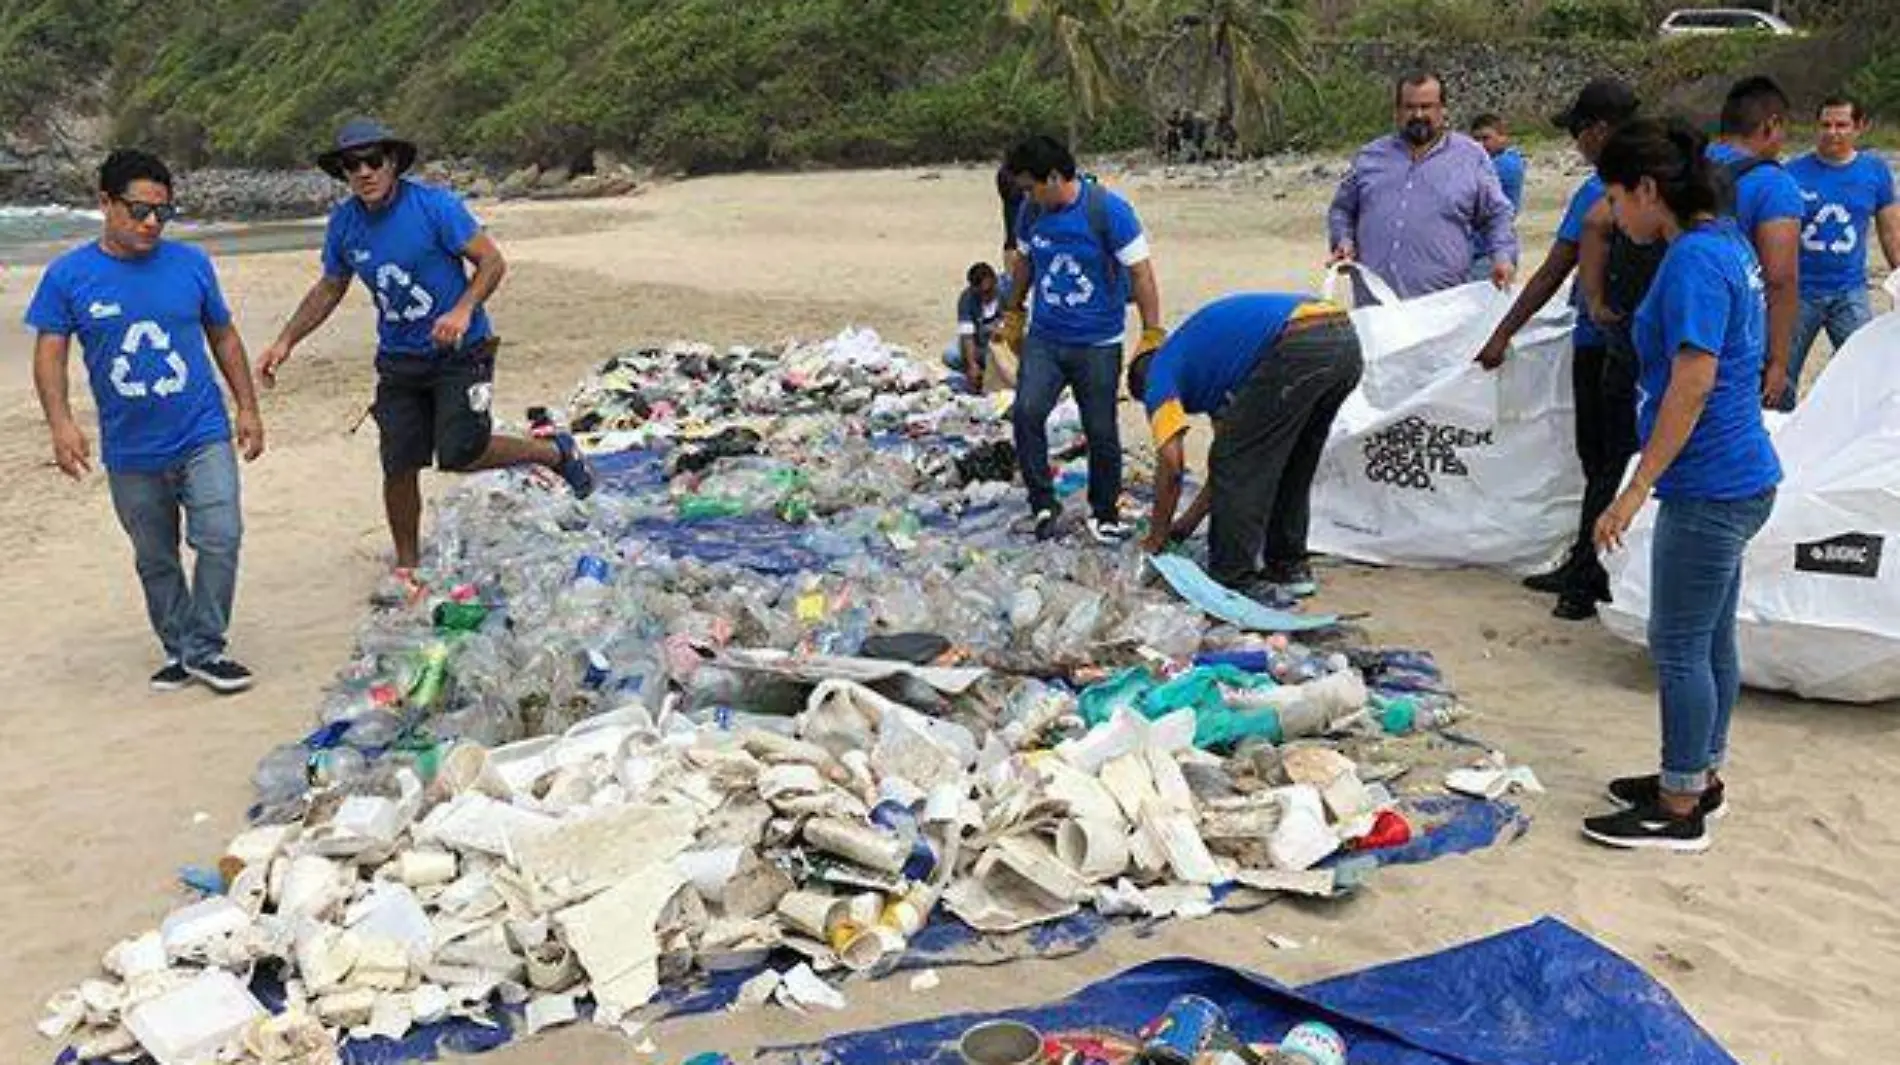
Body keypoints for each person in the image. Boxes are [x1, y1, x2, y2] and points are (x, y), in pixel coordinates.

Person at [256, 118, 594, 574]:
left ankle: (554, 452)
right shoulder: (344, 225)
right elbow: (331, 287)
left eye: (373, 161)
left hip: (462, 353)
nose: (364, 172)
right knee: (398, 462)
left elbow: (491, 262)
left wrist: (461, 309)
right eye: (351, 165)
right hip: (399, 361)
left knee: (461, 452)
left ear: (392, 162)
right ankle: (408, 565)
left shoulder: (435, 207)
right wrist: (285, 341)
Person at [1583, 118, 1781, 853]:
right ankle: (1698, 773)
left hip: (1712, 480)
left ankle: (1677, 805)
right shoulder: (1723, 241)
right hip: (1740, 474)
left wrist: (1636, 489)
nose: (1610, 215)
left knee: (1677, 643)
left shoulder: (1698, 258)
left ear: (1647, 190)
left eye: (1615, 197)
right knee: (1709, 637)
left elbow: (1693, 380)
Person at [27, 149, 265, 693]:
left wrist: (247, 407)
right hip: (130, 449)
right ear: (105, 203)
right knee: (155, 558)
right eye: (138, 210)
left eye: (163, 212)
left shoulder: (191, 264)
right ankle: (180, 649)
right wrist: (61, 424)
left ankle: (206, 647)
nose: (152, 223)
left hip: (202, 430)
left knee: (221, 535)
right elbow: (50, 355)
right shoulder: (69, 276)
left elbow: (222, 335)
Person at [1475, 78, 1641, 622]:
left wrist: (1503, 333)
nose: (1577, 146)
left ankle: (1589, 577)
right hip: (1616, 340)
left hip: (1610, 343)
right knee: (1602, 459)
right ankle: (1584, 563)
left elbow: (1554, 269)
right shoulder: (1651, 179)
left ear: (1597, 130)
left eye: (1577, 133)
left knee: (1607, 460)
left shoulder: (1609, 190)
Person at [1131, 294, 1361, 599]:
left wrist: (1157, 536)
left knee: (1239, 461)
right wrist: (1186, 524)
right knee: (1292, 461)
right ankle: (1289, 567)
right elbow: (1225, 470)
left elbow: (1174, 464)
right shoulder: (1212, 369)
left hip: (1298, 343)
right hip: (1343, 340)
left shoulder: (1159, 375)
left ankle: (1233, 578)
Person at [997, 135, 1165, 543]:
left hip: (1098, 344)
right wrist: (1014, 311)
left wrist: (1152, 332)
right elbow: (1024, 263)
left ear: (1054, 178)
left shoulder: (1108, 211)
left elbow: (1141, 273)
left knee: (1101, 430)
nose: (1027, 195)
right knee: (1026, 413)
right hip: (1045, 339)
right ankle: (1043, 503)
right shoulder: (1031, 213)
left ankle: (1104, 510)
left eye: (1031, 186)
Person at [1328, 71, 1518, 300]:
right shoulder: (1369, 157)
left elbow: (1497, 215)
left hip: (1443, 308)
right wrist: (1343, 240)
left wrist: (1503, 257)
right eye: (1409, 107)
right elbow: (1342, 210)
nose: (1418, 114)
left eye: (1427, 106)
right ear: (1397, 111)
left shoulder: (1470, 157)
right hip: (1375, 311)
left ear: (1443, 109)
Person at [1782, 94, 1900, 409]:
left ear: (1859, 127)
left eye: (1842, 125)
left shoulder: (1875, 172)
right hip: (1799, 293)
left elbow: (1890, 230)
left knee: (1866, 377)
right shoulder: (1791, 173)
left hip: (1850, 291)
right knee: (1779, 379)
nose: (1833, 132)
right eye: (1826, 125)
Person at [1707, 76, 1806, 409]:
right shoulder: (1773, 184)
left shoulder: (1686, 167)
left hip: (1683, 330)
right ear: (1771, 125)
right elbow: (1780, 279)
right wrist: (1778, 361)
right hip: (1740, 344)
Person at [1468, 113, 1526, 281]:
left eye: (1486, 138)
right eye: (1475, 139)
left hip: (1490, 252)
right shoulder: (1485, 163)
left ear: (1503, 138)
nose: (1480, 145)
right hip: (1480, 250)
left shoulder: (1506, 165)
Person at [945, 261, 1010, 392]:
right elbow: (967, 335)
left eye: (989, 292)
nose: (986, 297)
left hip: (1006, 346)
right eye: (981, 293)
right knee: (951, 355)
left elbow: (1018, 318)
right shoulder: (967, 299)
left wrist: (1003, 329)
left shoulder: (1007, 291)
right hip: (981, 345)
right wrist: (972, 365)